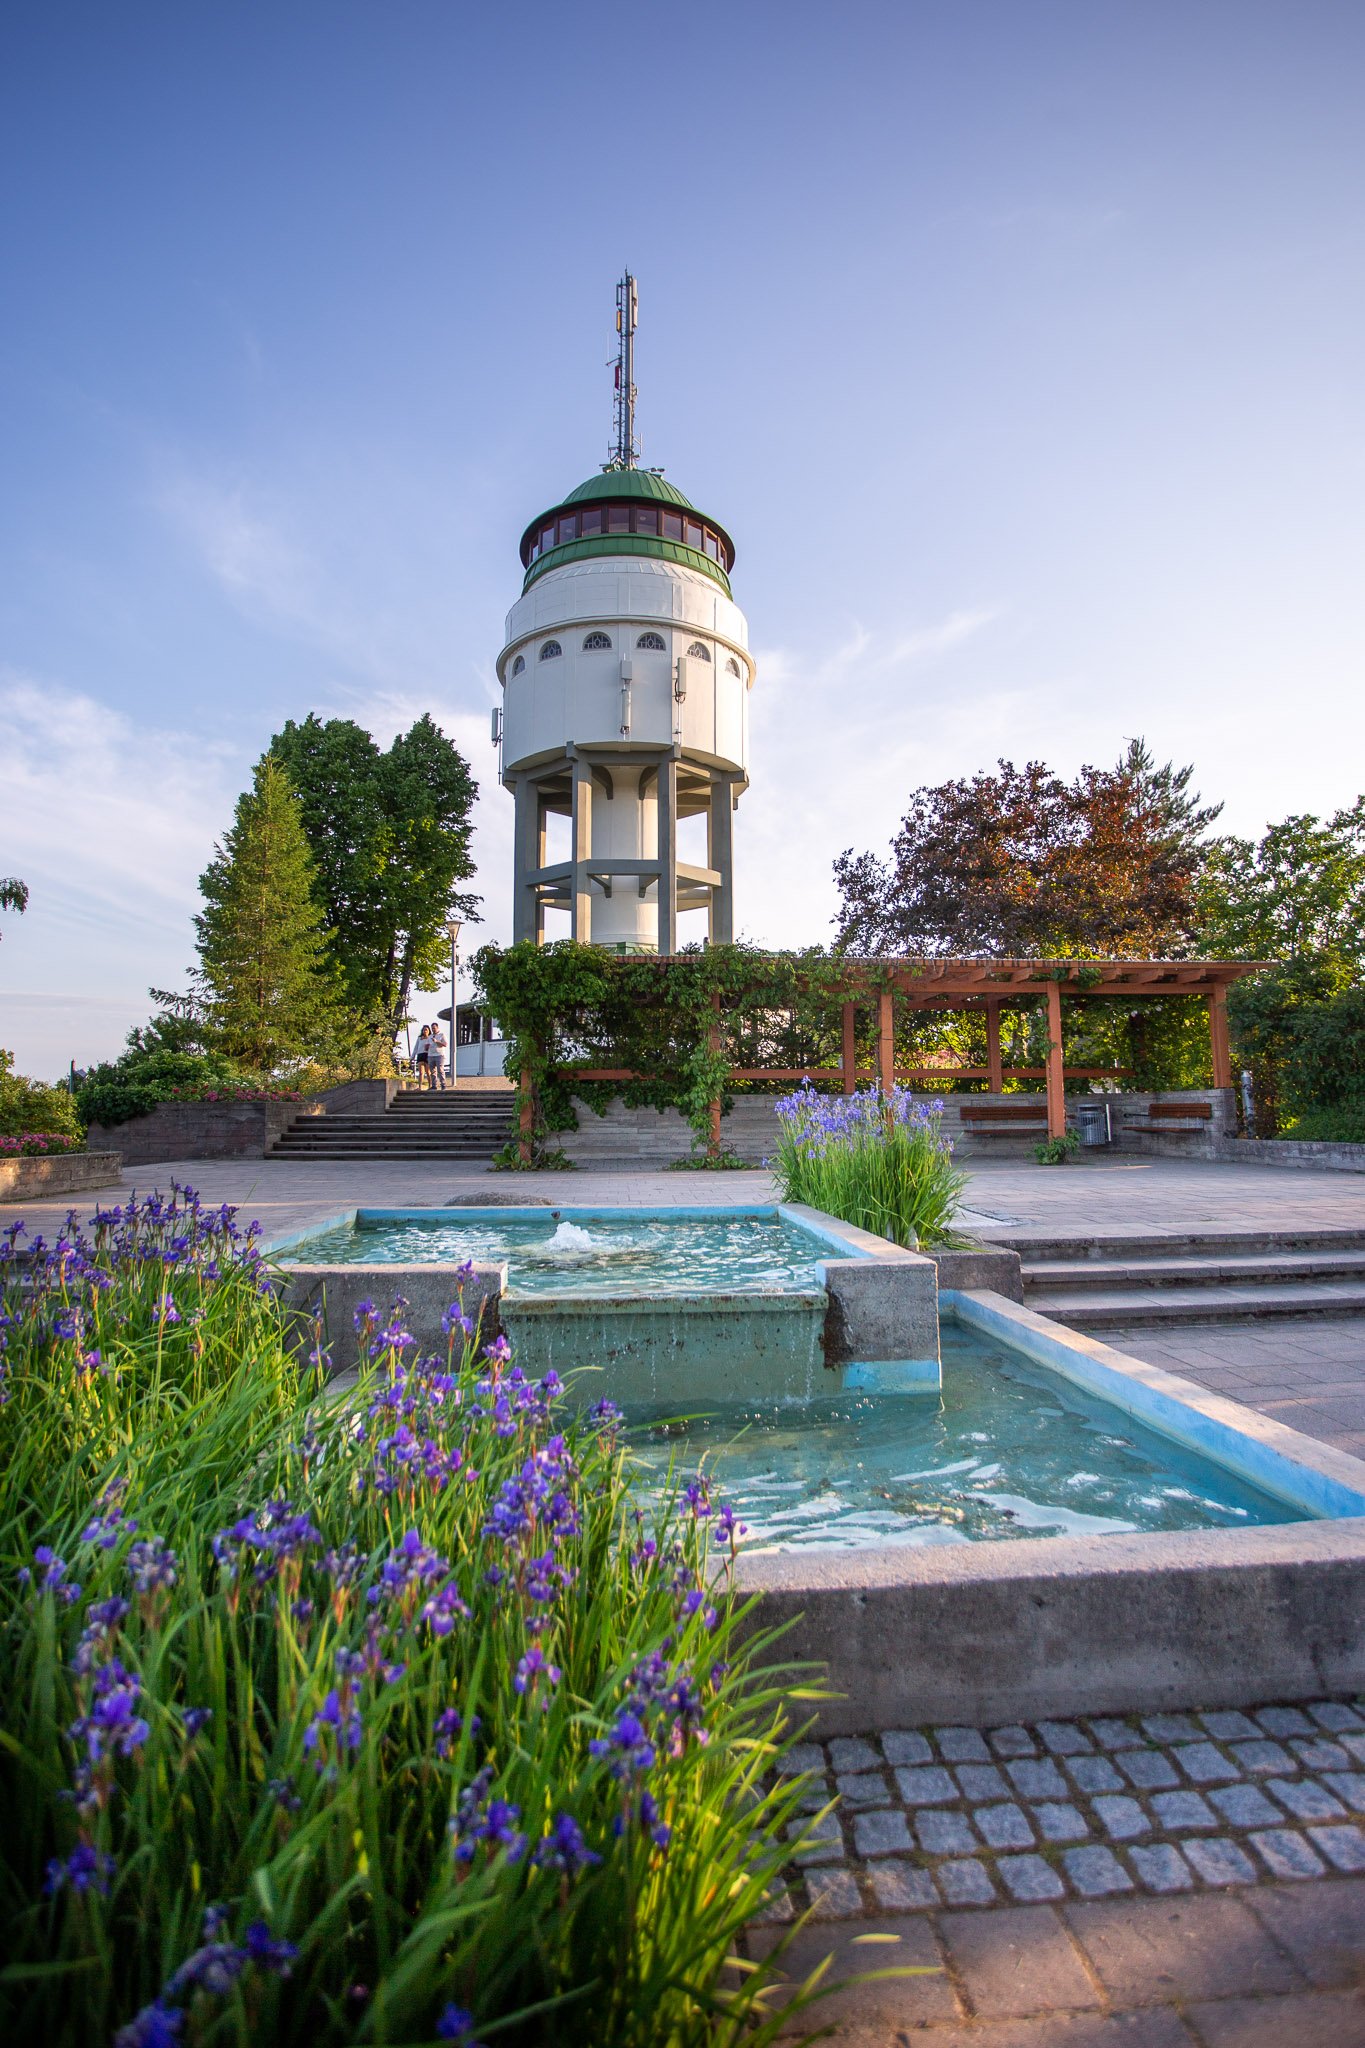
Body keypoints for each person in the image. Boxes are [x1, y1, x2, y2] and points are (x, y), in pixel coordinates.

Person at [428, 1021, 448, 1090]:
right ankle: (434, 1085)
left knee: (440, 1070)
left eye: (434, 1028)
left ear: (437, 1028)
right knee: (432, 1071)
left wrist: (437, 1041)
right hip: (431, 1055)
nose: (433, 1029)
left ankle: (443, 1084)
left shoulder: (442, 1035)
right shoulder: (429, 1036)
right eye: (432, 1028)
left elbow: (445, 1044)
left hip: (439, 1055)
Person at [413, 1024, 435, 1089]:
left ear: (429, 1031)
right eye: (424, 1030)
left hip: (428, 1055)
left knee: (428, 1072)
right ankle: (419, 1087)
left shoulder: (431, 1038)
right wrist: (412, 1056)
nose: (425, 1031)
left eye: (426, 1030)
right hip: (420, 1055)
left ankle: (430, 1086)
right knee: (421, 1072)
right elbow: (416, 1047)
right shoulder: (419, 1038)